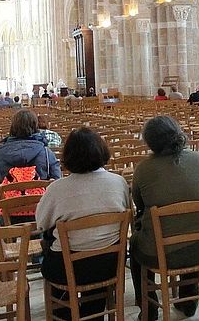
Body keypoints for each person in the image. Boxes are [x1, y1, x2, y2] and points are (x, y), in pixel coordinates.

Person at [36, 128, 130, 321]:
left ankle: (64, 314)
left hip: (68, 267)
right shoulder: (118, 182)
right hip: (110, 262)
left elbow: (41, 224)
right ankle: (93, 314)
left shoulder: (57, 189)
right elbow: (129, 214)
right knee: (98, 253)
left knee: (47, 247)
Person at [130, 116, 199, 321]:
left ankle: (148, 309)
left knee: (134, 246)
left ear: (150, 142)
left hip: (161, 254)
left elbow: (139, 204)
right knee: (191, 229)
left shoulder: (144, 169)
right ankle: (188, 303)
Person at [0, 109, 62, 201]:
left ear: (12, 127)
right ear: (35, 127)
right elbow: (57, 184)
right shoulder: (46, 153)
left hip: (7, 212)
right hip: (41, 211)